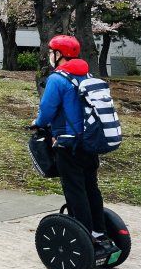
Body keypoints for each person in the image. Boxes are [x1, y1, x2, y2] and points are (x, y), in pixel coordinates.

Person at [32, 35, 119, 256]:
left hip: (67, 145)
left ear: (59, 55)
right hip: (90, 143)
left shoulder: (57, 79)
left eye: (52, 52)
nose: (50, 56)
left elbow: (47, 110)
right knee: (91, 187)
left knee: (75, 190)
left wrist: (38, 124)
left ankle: (85, 234)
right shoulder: (86, 75)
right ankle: (99, 232)